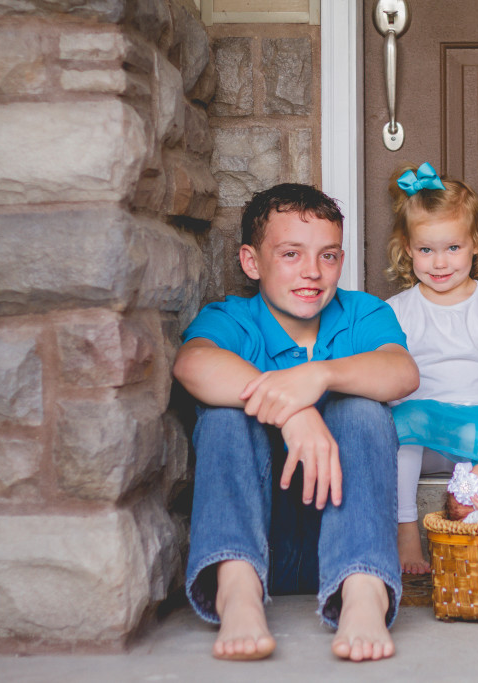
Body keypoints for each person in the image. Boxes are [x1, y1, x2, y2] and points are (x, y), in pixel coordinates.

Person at [172, 183, 419, 662]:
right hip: (260, 542)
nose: (312, 271)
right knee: (226, 415)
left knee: (361, 408)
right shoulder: (234, 319)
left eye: (328, 256)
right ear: (251, 262)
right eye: (291, 254)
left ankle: (366, 592)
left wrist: (319, 375)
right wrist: (294, 410)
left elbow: (401, 372)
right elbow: (191, 364)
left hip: (350, 542)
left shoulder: (362, 314)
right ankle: (236, 592)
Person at [383, 162, 478, 574]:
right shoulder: (397, 311)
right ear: (407, 248)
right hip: (420, 430)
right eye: (426, 250)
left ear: (477, 243)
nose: (439, 263)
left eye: (452, 248)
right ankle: (407, 534)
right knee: (401, 428)